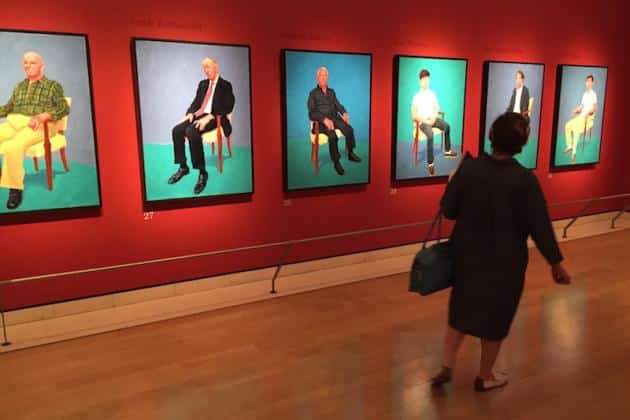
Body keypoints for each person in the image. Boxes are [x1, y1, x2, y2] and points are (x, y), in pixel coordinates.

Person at [430, 113, 571, 392]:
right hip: (505, 262)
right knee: (497, 316)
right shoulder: (525, 180)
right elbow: (540, 226)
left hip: (467, 255)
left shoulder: (469, 169)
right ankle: (485, 375)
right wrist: (556, 263)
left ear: (492, 136)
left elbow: (449, 210)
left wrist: (454, 179)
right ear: (521, 143)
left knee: (461, 308)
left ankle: (446, 365)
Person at [0, 51, 70, 210]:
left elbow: (63, 108)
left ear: (42, 66)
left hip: (42, 126)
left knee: (13, 146)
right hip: (17, 122)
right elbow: (8, 108)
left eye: (32, 62)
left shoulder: (52, 86)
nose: (28, 65)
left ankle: (15, 188)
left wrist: (44, 115)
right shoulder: (19, 87)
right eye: (25, 62)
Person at [169, 57, 235, 195]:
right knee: (177, 130)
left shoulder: (225, 85)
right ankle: (183, 167)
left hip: (216, 117)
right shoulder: (203, 84)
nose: (206, 70)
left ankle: (202, 172)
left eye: (208, 67)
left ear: (216, 66)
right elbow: (196, 102)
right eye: (204, 68)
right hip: (199, 115)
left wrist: (209, 117)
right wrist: (190, 113)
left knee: (192, 131)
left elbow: (228, 106)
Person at [307, 67, 361, 176]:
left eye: (325, 75)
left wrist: (344, 112)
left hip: (334, 118)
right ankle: (336, 162)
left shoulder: (332, 92)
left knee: (349, 129)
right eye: (321, 75)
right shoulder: (313, 94)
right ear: (317, 78)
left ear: (327, 77)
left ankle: (350, 153)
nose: (323, 77)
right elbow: (311, 113)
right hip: (321, 123)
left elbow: (338, 105)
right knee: (332, 136)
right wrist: (324, 119)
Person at [411, 69, 458, 177]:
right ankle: (431, 163)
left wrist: (433, 117)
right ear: (420, 81)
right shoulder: (416, 97)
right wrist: (426, 121)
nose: (426, 82)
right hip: (423, 122)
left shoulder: (432, 94)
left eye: (427, 79)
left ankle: (447, 151)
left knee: (447, 126)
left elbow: (437, 107)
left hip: (433, 118)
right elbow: (414, 115)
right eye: (424, 80)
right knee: (430, 134)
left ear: (429, 80)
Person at [564, 75, 597, 163]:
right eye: (587, 81)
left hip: (588, 119)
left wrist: (588, 113)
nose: (588, 83)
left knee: (576, 129)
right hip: (581, 117)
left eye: (590, 81)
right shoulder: (584, 94)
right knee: (567, 125)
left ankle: (574, 153)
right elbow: (582, 106)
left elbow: (595, 108)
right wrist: (576, 110)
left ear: (593, 83)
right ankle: (569, 146)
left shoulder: (593, 95)